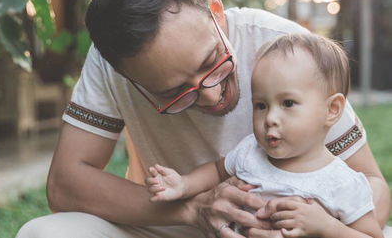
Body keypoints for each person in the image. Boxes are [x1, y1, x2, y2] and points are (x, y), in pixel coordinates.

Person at [16, 0, 391, 238]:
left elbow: (375, 189)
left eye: (214, 61)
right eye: (175, 92)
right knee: (45, 233)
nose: (212, 97)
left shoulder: (288, 53)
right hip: (167, 228)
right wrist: (192, 210)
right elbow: (65, 184)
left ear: (214, 10)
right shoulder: (111, 62)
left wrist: (316, 224)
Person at [145, 33, 383, 238]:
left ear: (332, 110)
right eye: (261, 105)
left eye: (288, 103)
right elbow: (217, 170)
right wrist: (184, 184)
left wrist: (326, 225)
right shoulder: (250, 152)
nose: (270, 118)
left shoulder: (342, 183)